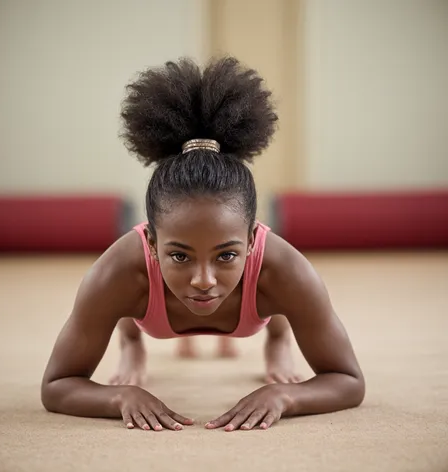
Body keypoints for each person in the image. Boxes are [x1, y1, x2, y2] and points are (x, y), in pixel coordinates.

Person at [41, 57, 365, 432]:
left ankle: (279, 333)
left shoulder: (286, 270)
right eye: (180, 255)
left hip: (267, 288)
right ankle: (132, 340)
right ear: (150, 240)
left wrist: (283, 395)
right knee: (123, 298)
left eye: (226, 255)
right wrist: (120, 396)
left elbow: (349, 380)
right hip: (136, 290)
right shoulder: (117, 271)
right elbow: (56, 386)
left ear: (251, 239)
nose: (204, 280)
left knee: (279, 295)